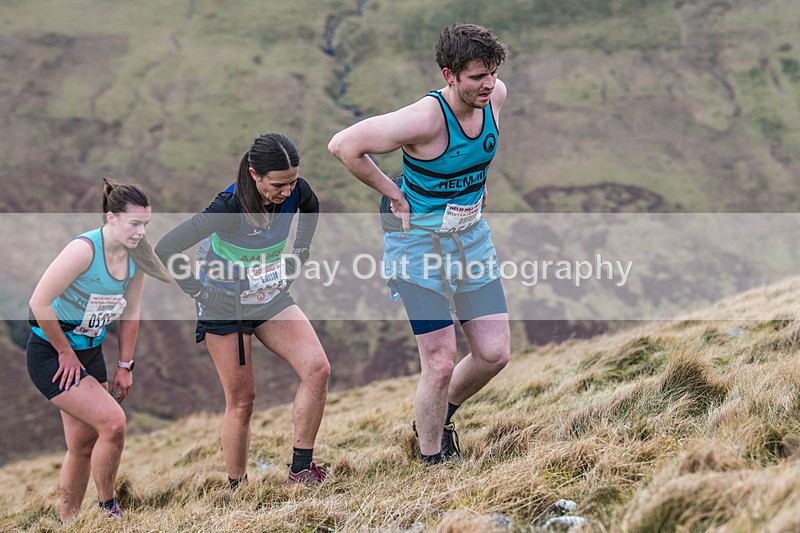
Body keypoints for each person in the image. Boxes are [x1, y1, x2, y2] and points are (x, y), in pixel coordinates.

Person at [328, 23, 511, 465]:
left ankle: (438, 413)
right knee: (441, 360)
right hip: (417, 242)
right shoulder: (423, 119)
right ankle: (432, 460)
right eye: (475, 77)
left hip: (469, 237)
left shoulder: (496, 95)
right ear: (449, 75)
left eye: (492, 73)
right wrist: (393, 193)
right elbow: (344, 145)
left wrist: (476, 187)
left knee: (493, 353)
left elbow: (476, 151)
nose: (488, 84)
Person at [155, 132, 330, 487]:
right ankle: (238, 488)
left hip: (268, 293)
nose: (286, 192)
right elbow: (167, 247)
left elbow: (311, 207)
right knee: (242, 400)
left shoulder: (296, 190)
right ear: (254, 174)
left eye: (292, 182)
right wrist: (200, 291)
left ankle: (301, 469)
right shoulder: (227, 207)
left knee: (317, 368)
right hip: (223, 302)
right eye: (278, 185)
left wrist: (301, 252)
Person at [27, 178, 172, 521]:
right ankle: (109, 509)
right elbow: (39, 303)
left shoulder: (136, 259)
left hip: (91, 353)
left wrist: (125, 365)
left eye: (145, 225)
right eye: (134, 224)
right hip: (52, 354)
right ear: (111, 218)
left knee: (81, 445)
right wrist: (64, 352)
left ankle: (68, 521)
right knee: (114, 424)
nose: (140, 232)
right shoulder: (83, 251)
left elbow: (131, 312)